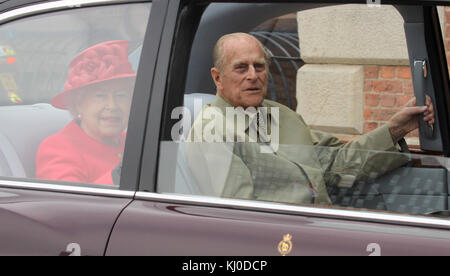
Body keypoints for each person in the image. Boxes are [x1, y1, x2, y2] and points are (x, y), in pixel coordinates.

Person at [186, 32, 435, 205]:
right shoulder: (213, 131)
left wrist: (395, 129)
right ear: (217, 77)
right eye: (241, 68)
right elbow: (241, 218)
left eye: (259, 66)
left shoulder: (283, 116)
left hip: (323, 227)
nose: (253, 75)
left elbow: (339, 163)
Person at [36, 40, 136, 185]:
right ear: (78, 104)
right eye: (100, 96)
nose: (112, 106)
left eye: (121, 95)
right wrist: (122, 173)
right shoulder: (58, 148)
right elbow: (67, 205)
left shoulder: (133, 141)